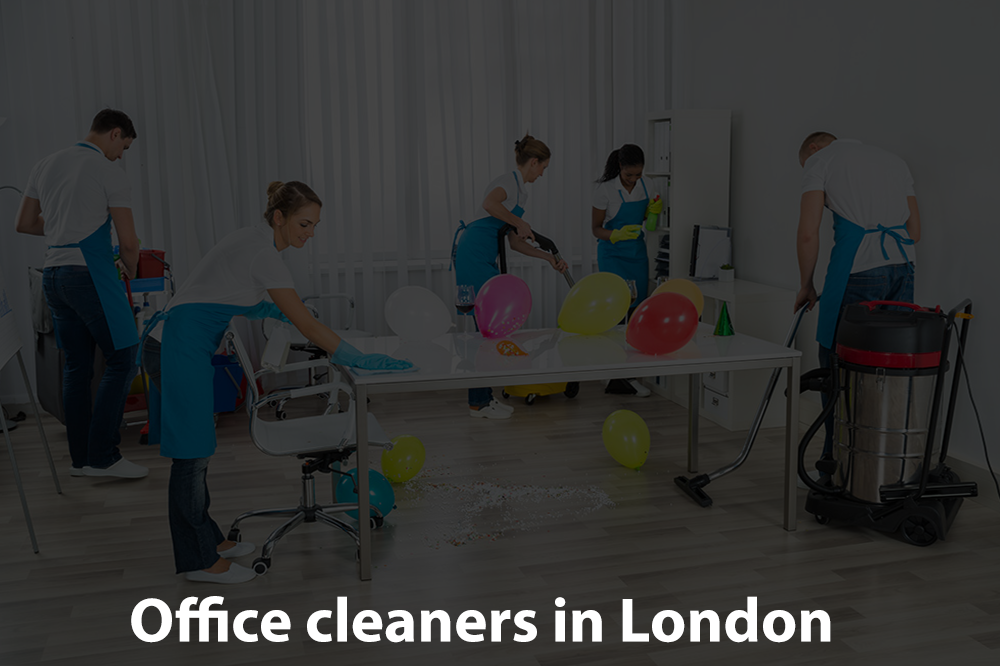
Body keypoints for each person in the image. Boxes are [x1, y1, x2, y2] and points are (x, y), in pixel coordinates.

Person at [140, 180, 412, 584]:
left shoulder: (251, 239)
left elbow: (228, 291)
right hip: (178, 347)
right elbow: (305, 323)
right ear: (279, 218)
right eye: (304, 224)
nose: (310, 233)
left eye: (315, 225)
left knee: (197, 456)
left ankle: (209, 541)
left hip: (178, 343)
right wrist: (354, 356)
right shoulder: (264, 253)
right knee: (191, 457)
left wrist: (274, 308)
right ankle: (198, 561)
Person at [15, 109, 147, 479]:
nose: (121, 155)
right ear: (115, 133)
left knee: (76, 366)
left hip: (53, 275)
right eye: (124, 146)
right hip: (89, 275)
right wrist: (130, 269)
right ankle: (104, 457)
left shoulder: (45, 164)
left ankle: (81, 461)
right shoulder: (108, 172)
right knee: (124, 357)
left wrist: (63, 229)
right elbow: (129, 242)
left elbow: (23, 223)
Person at [794, 131, 920, 465]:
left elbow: (808, 232)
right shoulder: (894, 161)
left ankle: (836, 463)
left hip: (859, 270)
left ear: (814, 148)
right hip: (903, 268)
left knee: (835, 361)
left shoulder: (821, 160)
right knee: (886, 366)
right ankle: (884, 463)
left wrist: (806, 285)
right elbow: (915, 232)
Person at [452, 134, 568, 419]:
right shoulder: (508, 182)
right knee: (486, 329)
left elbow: (515, 242)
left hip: (480, 256)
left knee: (489, 329)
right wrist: (519, 221)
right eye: (543, 167)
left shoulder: (520, 191)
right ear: (533, 161)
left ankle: (483, 398)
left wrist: (549, 258)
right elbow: (489, 205)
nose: (542, 174)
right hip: (474, 254)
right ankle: (479, 403)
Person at [591, 143, 651, 397]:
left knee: (638, 313)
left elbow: (647, 220)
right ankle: (614, 374)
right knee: (616, 312)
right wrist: (615, 234)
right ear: (619, 168)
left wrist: (655, 214)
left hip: (637, 255)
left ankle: (630, 373)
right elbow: (596, 229)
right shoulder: (605, 190)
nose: (634, 179)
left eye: (638, 174)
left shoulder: (648, 186)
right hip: (612, 254)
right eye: (629, 175)